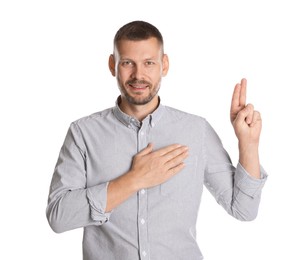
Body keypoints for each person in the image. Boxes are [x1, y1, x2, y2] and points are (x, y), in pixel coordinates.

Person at [46, 20, 267, 260]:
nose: (138, 75)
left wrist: (249, 144)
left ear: (164, 65)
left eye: (149, 63)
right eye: (128, 63)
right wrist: (133, 180)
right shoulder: (83, 133)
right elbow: (59, 216)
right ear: (112, 65)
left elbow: (244, 210)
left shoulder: (196, 130)